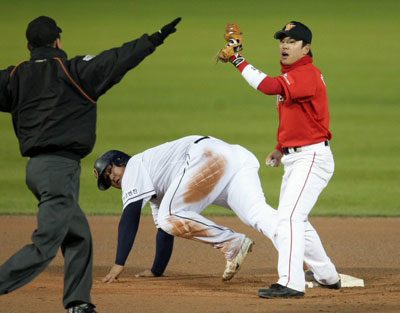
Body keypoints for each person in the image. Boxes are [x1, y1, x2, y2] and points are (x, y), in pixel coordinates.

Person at [0, 15, 181, 313]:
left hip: (39, 170)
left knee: (78, 238)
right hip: (57, 171)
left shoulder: (14, 76)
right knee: (45, 245)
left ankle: (78, 303)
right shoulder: (75, 71)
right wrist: (153, 39)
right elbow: (119, 58)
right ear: (58, 41)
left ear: (28, 46)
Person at [218, 22, 341, 298]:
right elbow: (299, 119)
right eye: (282, 40)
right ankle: (327, 276)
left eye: (292, 41)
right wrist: (280, 147)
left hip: (312, 158)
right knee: (298, 219)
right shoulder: (295, 75)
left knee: (288, 220)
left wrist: (238, 58)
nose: (284, 45)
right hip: (298, 156)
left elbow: (268, 86)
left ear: (306, 48)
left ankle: (291, 283)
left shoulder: (307, 74)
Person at [93, 135, 278, 283]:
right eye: (108, 180)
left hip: (207, 155)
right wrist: (156, 270)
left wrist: (119, 264)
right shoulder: (155, 186)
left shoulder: (134, 167)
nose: (113, 179)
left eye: (110, 171)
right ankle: (301, 254)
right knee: (257, 213)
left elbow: (130, 216)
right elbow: (164, 231)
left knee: (169, 215)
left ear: (120, 160)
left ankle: (231, 242)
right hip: (234, 156)